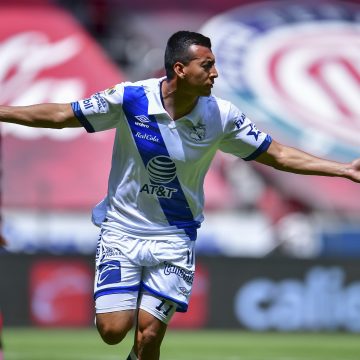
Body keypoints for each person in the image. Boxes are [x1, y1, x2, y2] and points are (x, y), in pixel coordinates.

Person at [1, 30, 360, 360]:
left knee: (149, 335)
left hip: (174, 236)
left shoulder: (222, 116)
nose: (216, 73)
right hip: (121, 231)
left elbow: (278, 154)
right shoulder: (131, 98)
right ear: (180, 69)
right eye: (207, 65)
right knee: (113, 331)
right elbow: (63, 114)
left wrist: (343, 169)